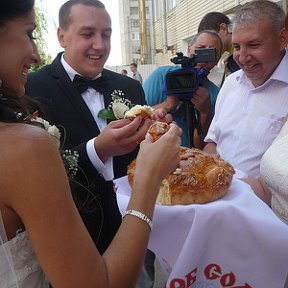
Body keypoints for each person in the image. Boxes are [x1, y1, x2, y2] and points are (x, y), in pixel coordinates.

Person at [0, 0, 182, 287]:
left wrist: (154, 134)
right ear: (62, 36)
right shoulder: (29, 88)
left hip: (137, 231)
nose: (99, 44)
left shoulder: (131, 87)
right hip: (69, 244)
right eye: (88, 34)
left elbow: (142, 154)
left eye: (107, 34)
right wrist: (98, 149)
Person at [203, 0, 288, 180]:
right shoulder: (230, 83)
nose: (242, 58)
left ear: (282, 39)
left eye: (254, 45)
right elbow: (213, 142)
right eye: (236, 47)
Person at [144, 30, 223, 149]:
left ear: (217, 59)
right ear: (189, 49)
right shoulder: (160, 76)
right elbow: (138, 121)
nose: (203, 56)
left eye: (210, 52)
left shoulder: (216, 94)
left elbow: (201, 146)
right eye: (200, 48)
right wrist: (168, 104)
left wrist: (205, 113)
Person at [198, 11, 240, 87]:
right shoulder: (231, 59)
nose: (209, 48)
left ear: (224, 29)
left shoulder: (238, 56)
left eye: (212, 37)